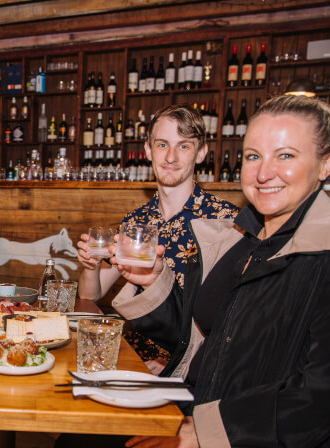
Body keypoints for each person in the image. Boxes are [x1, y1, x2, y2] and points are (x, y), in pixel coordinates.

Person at [67, 96, 330, 448]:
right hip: (211, 419)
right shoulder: (251, 241)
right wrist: (153, 278)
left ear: (328, 165)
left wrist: (202, 431)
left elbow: (329, 391)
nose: (265, 172)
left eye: (286, 155)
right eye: (253, 156)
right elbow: (191, 326)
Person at [76, 104, 238, 373]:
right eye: (162, 145)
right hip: (131, 355)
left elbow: (231, 322)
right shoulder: (136, 222)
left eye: (184, 146)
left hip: (193, 365)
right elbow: (91, 293)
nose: (171, 156)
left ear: (201, 153)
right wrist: (90, 264)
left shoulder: (224, 222)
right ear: (148, 150)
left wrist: (174, 366)